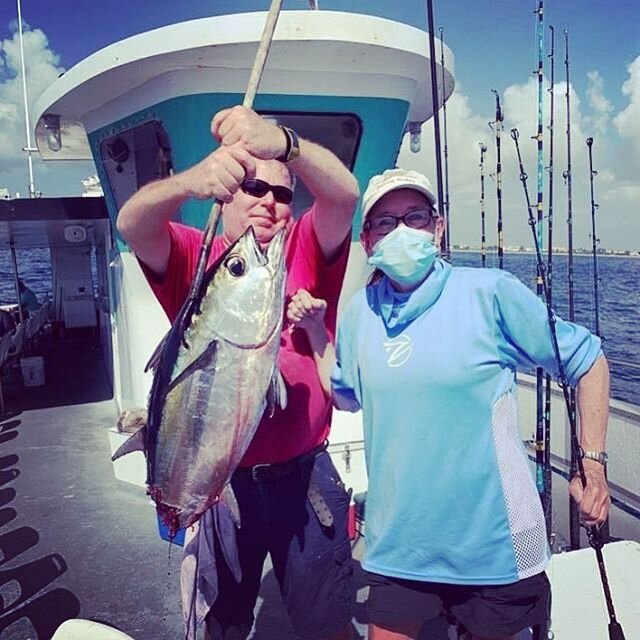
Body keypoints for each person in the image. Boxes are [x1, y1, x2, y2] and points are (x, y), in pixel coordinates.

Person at [295, 168, 611, 640]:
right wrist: (318, 334)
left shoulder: (491, 292)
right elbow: (345, 394)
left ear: (437, 227)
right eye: (384, 222)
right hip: (399, 544)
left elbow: (588, 361)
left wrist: (593, 462)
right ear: (368, 237)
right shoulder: (360, 311)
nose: (401, 231)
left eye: (415, 217)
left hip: (496, 548)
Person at [116, 105, 359, 640]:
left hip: (304, 478)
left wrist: (282, 143)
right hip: (220, 481)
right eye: (253, 186)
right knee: (220, 627)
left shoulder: (306, 249)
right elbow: (132, 223)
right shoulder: (196, 255)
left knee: (328, 625)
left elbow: (343, 195)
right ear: (227, 197)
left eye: (282, 192)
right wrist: (191, 181)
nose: (269, 202)